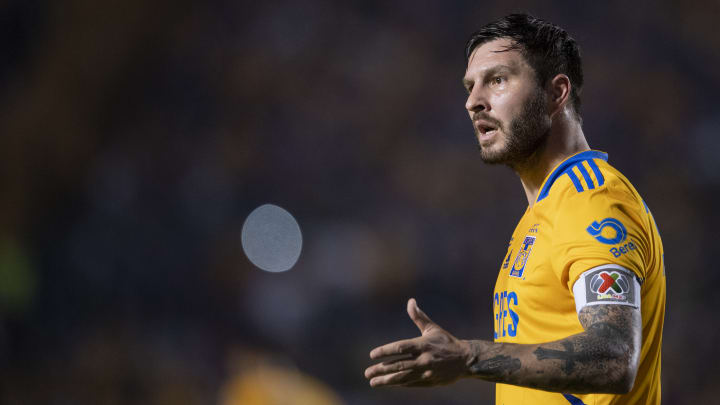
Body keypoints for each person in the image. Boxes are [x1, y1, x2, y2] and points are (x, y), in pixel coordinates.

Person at [364, 13, 665, 405]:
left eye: (498, 80)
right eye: (470, 86)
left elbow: (614, 356)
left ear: (556, 93)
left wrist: (469, 357)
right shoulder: (542, 212)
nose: (473, 102)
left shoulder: (591, 200)